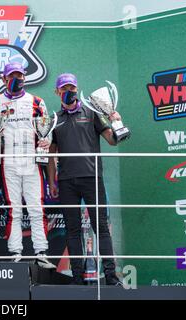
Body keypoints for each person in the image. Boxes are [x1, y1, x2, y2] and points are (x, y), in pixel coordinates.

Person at [47, 73, 123, 285]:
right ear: (57, 92)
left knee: (100, 227)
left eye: (72, 88)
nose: (69, 92)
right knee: (72, 230)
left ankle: (111, 277)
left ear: (76, 88)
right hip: (66, 181)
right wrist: (52, 181)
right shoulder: (54, 119)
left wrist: (116, 122)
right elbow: (51, 154)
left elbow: (112, 141)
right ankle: (78, 279)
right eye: (64, 89)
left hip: (92, 178)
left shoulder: (92, 112)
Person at [0, 62, 55, 269]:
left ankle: (41, 252)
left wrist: (47, 140)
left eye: (20, 75)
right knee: (13, 209)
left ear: (25, 77)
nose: (17, 79)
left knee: (36, 208)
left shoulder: (36, 101)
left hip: (32, 161)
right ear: (4, 79)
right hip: (8, 161)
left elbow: (47, 130)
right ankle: (15, 252)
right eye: (12, 76)